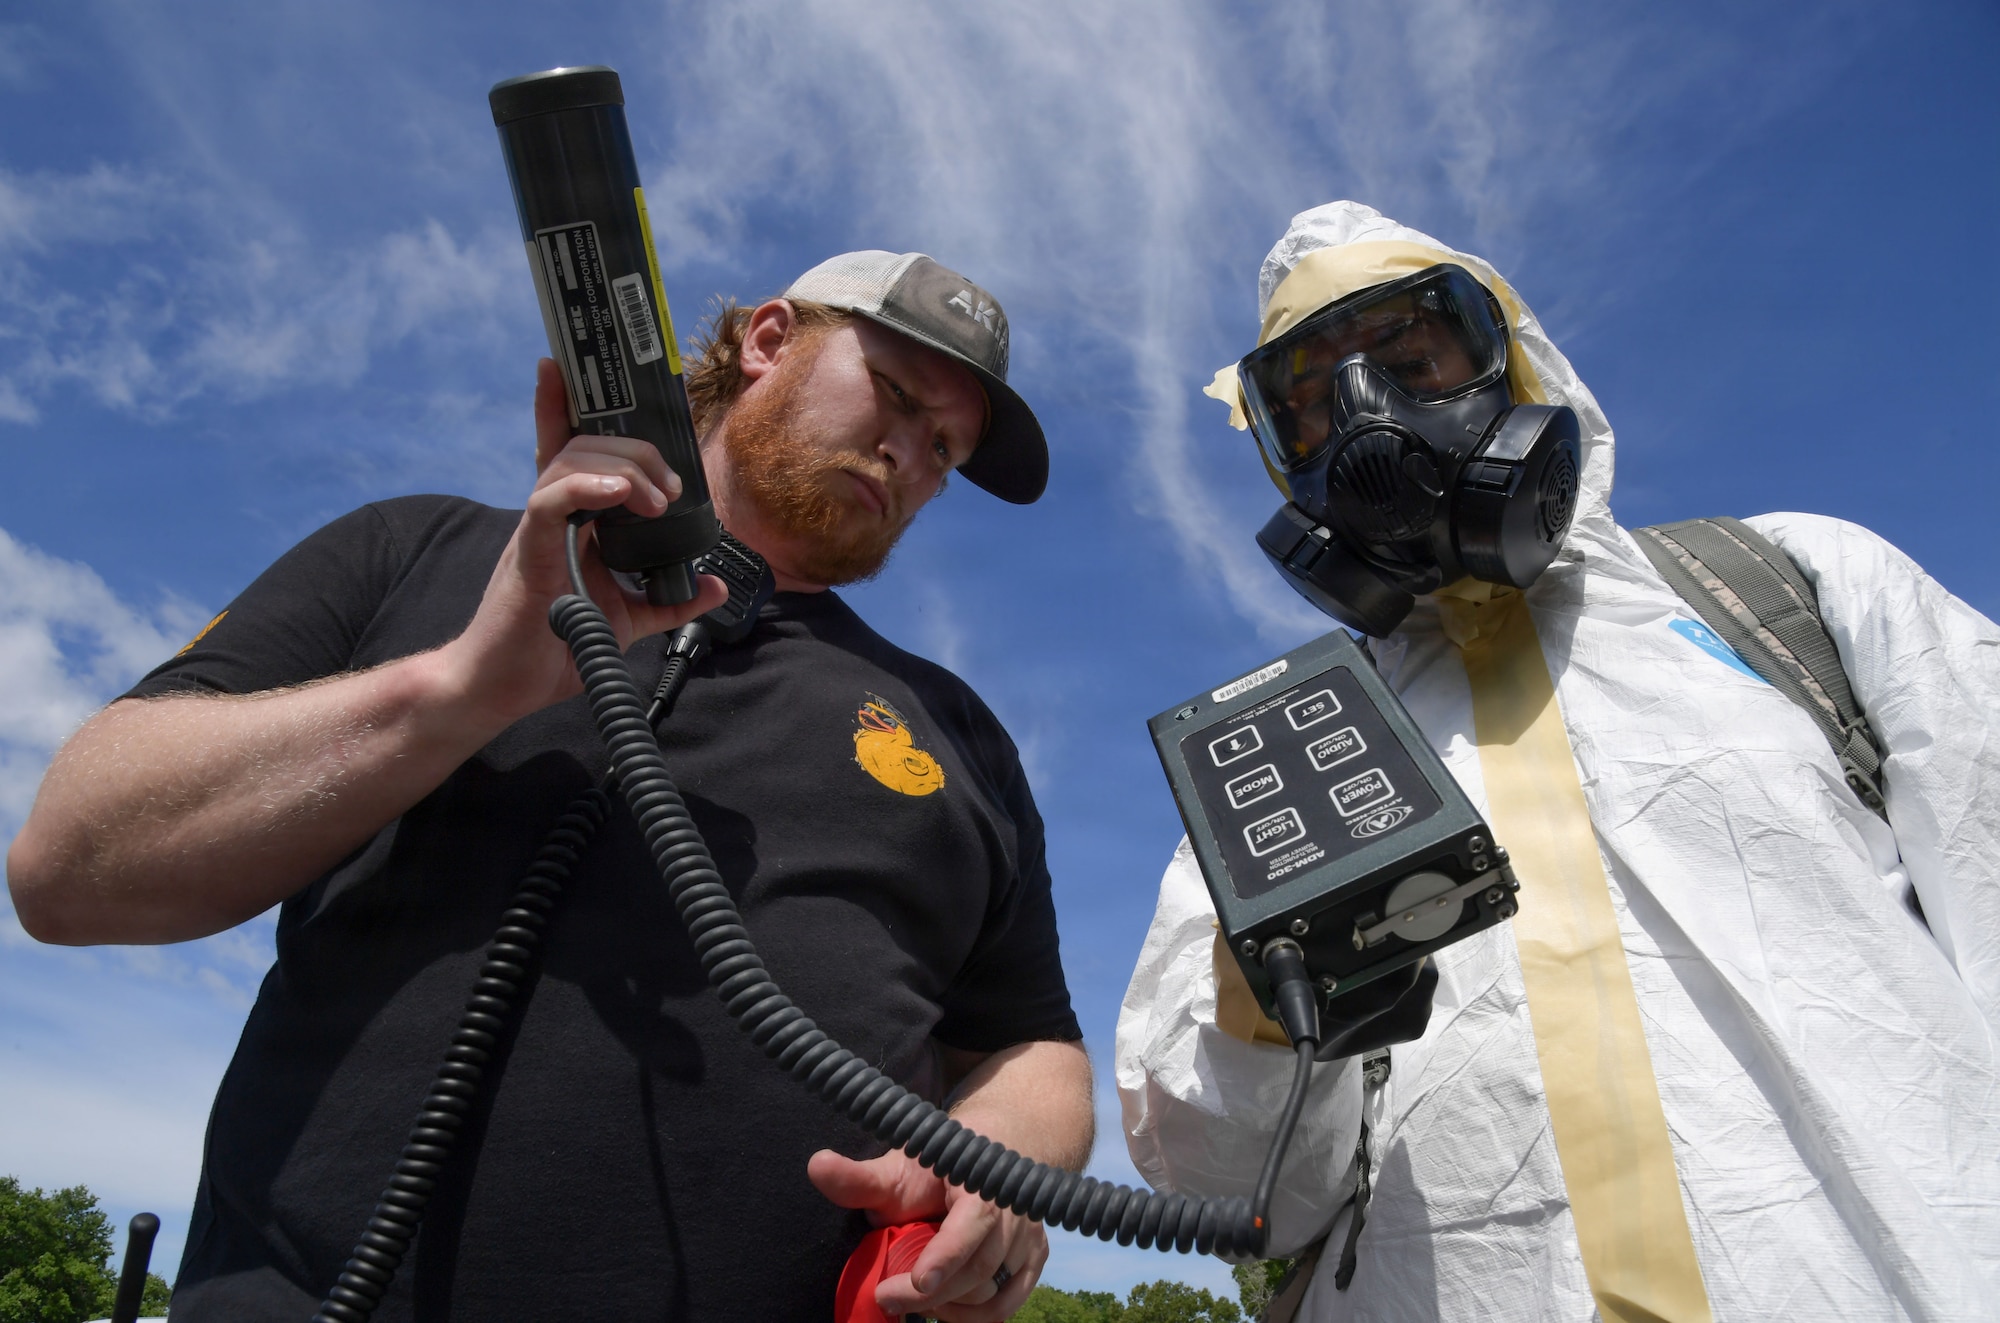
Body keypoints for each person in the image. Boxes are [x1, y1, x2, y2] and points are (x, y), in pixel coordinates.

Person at [7, 250, 1094, 1322]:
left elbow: (1033, 1047)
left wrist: (993, 1164)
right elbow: (67, 868)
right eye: (895, 396)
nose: (908, 452)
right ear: (768, 341)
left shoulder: (958, 737)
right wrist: (458, 688)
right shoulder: (418, 551)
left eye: (942, 448)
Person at [1116, 202, 2000, 1320]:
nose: (1366, 419)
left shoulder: (1790, 589)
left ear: (1516, 369)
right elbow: (1251, 1202)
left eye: (1406, 357)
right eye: (1305, 403)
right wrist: (1260, 999)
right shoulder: (1281, 768)